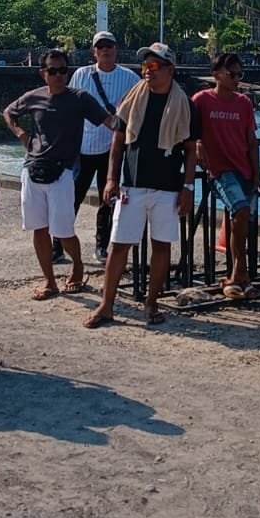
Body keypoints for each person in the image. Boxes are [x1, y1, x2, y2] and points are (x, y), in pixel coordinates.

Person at [85, 42, 200, 329]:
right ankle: (106, 305)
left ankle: (151, 303)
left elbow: (190, 149)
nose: (148, 71)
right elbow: (118, 141)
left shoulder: (185, 104)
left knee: (161, 246)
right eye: (145, 65)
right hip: (133, 185)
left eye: (154, 65)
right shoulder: (133, 98)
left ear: (170, 69)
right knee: (119, 245)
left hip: (167, 186)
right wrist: (111, 179)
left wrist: (188, 188)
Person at [3, 48, 117, 300]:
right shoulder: (34, 97)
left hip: (63, 172)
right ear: (43, 73)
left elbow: (109, 121)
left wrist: (136, 132)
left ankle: (77, 266)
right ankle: (50, 281)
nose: (58, 76)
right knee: (38, 229)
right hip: (32, 169)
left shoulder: (80, 98)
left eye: (63, 70)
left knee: (63, 231)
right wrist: (21, 134)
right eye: (53, 71)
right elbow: (9, 112)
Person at [193, 52, 260, 299]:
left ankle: (239, 275)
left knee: (242, 221)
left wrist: (257, 174)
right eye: (232, 74)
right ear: (216, 75)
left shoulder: (244, 103)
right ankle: (239, 272)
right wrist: (198, 143)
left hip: (244, 170)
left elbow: (251, 141)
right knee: (240, 211)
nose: (236, 79)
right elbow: (189, 131)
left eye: (240, 75)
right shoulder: (201, 100)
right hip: (220, 171)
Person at [69, 31, 141, 263]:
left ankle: (102, 245)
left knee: (107, 200)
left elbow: (140, 107)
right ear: (94, 51)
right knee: (71, 199)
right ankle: (59, 244)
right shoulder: (81, 75)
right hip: (82, 148)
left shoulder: (130, 78)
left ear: (116, 49)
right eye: (100, 47)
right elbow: (71, 109)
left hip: (111, 150)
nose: (105, 50)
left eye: (109, 46)